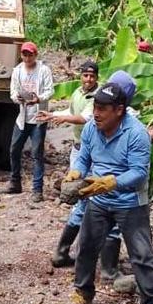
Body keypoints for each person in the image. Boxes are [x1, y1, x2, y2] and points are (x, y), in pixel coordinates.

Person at [60, 81, 153, 304]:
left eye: (102, 108)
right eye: (95, 106)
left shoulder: (137, 134)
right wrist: (77, 170)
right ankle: (83, 296)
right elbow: (84, 157)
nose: (96, 113)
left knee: (141, 254)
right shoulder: (91, 128)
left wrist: (111, 182)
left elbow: (139, 173)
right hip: (98, 200)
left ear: (119, 110)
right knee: (86, 247)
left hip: (130, 203)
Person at [39, 61, 98, 267]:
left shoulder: (97, 98)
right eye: (85, 75)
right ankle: (69, 252)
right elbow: (71, 111)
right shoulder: (78, 94)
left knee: (87, 199)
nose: (88, 79)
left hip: (89, 150)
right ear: (80, 76)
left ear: (97, 78)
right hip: (79, 150)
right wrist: (53, 115)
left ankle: (66, 251)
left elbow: (85, 118)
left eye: (92, 76)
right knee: (82, 199)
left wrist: (63, 119)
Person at [3, 41, 53, 202]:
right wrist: (18, 99)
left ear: (35, 55)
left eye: (30, 54)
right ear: (21, 55)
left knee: (37, 154)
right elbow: (13, 92)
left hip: (38, 118)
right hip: (22, 118)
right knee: (14, 150)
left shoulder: (44, 70)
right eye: (25, 54)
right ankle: (15, 182)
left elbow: (50, 91)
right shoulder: (17, 71)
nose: (27, 57)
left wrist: (39, 99)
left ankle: (37, 189)